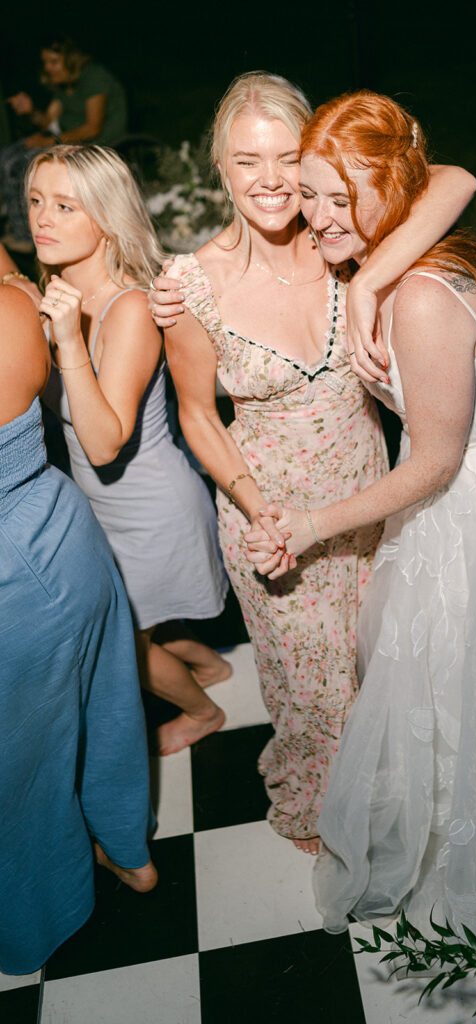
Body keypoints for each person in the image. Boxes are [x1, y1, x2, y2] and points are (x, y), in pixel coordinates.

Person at [245, 90, 476, 935]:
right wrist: (365, 267)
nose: (317, 216)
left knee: (468, 677)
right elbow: (445, 176)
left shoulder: (419, 293)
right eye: (310, 193)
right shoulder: (409, 245)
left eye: (342, 198)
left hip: (473, 504)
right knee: (471, 679)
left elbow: (436, 460)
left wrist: (309, 525)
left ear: (394, 192)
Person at [149, 71, 476, 853]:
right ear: (218, 168)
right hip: (269, 513)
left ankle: (392, 788)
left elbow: (454, 180)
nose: (269, 181)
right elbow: (197, 413)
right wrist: (257, 506)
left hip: (376, 500)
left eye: (286, 157)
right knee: (312, 691)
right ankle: (323, 809)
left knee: (382, 664)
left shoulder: (343, 240)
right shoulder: (189, 287)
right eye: (244, 160)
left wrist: (365, 285)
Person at [29, 143, 230, 757]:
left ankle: (204, 711)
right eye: (36, 200)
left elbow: (102, 443)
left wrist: (65, 342)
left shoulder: (130, 309)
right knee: (142, 614)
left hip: (152, 510)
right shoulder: (59, 288)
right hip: (103, 511)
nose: (42, 219)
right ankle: (212, 666)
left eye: (65, 206)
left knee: (125, 639)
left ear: (108, 218)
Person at [0, 284, 156, 976]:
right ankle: (130, 851)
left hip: (11, 588)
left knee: (19, 775)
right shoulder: (12, 302)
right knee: (108, 706)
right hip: (63, 532)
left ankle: (41, 919)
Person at [1, 35, 126, 252]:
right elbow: (48, 122)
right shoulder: (64, 83)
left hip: (97, 143)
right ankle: (14, 219)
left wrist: (51, 142)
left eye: (53, 62)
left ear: (70, 59)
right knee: (6, 156)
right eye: (45, 62)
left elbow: (92, 128)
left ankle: (24, 236)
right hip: (64, 139)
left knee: (24, 164)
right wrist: (31, 111)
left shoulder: (94, 77)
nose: (48, 68)